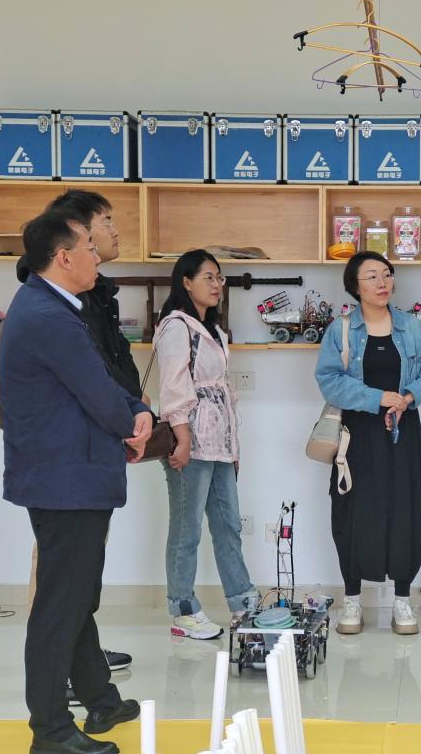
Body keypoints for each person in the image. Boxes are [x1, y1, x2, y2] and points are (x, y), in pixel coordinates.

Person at [0, 210, 152, 754]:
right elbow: (97, 391)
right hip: (65, 480)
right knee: (60, 606)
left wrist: (136, 409)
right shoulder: (47, 315)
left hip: (68, 474)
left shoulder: (58, 307)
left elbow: (103, 377)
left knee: (75, 595)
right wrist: (133, 422)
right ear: (63, 257)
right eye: (89, 244)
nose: (97, 253)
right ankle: (51, 731)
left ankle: (100, 699)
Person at [314, 251, 421, 636]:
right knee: (352, 513)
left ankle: (402, 600)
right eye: (371, 276)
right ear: (355, 287)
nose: (382, 282)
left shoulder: (410, 327)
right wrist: (378, 398)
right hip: (357, 436)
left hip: (404, 432)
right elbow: (329, 380)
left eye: (386, 274)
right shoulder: (340, 330)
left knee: (407, 512)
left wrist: (407, 398)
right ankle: (352, 599)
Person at [153, 249, 259, 639]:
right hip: (190, 441)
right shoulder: (175, 326)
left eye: (220, 278)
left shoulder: (212, 330)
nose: (217, 285)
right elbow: (173, 384)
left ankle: (242, 602)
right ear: (186, 282)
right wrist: (181, 437)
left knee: (228, 524)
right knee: (187, 529)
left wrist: (233, 449)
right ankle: (182, 609)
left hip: (218, 444)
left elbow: (223, 393)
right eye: (208, 277)